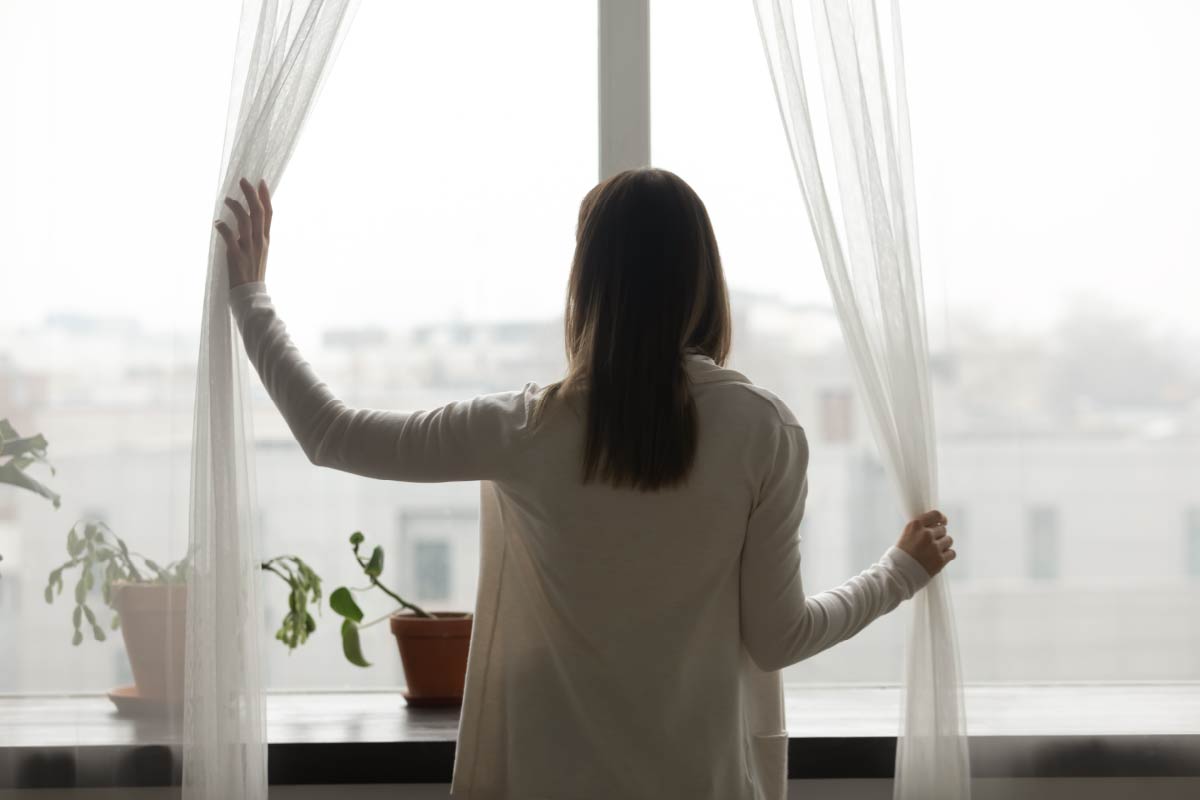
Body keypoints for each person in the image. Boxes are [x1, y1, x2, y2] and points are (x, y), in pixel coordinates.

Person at [216, 168, 955, 800]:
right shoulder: (763, 429)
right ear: (702, 279)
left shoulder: (524, 429)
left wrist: (251, 297)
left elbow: (330, 433)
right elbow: (778, 636)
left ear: (588, 284)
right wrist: (899, 573)